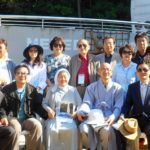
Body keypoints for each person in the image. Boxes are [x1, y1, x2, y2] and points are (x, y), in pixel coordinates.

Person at [77, 63, 124, 150]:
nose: (106, 71)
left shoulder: (118, 88)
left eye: (108, 70)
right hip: (93, 117)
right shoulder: (91, 87)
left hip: (108, 118)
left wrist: (113, 116)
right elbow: (87, 103)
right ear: (98, 72)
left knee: (106, 131)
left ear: (111, 72)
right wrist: (81, 112)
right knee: (83, 128)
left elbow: (118, 106)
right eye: (103, 69)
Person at [0, 64, 47, 150]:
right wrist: (3, 116)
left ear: (28, 75)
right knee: (16, 127)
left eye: (25, 73)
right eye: (19, 73)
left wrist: (47, 115)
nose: (22, 75)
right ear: (15, 75)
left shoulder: (32, 89)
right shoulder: (6, 89)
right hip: (12, 117)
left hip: (27, 117)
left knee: (37, 125)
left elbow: (37, 106)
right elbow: (1, 106)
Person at [42, 68, 82, 150]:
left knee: (72, 129)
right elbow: (44, 103)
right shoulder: (51, 90)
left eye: (65, 77)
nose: (63, 79)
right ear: (57, 78)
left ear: (68, 78)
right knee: (51, 129)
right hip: (54, 118)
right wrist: (49, 110)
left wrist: (76, 113)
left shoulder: (73, 90)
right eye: (60, 77)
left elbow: (80, 104)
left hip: (69, 118)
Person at [121, 60, 150, 150]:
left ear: (149, 71)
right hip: (136, 120)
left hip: (149, 120)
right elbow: (127, 104)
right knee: (132, 137)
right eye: (140, 70)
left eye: (145, 69)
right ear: (137, 73)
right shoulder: (132, 87)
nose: (142, 72)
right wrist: (122, 115)